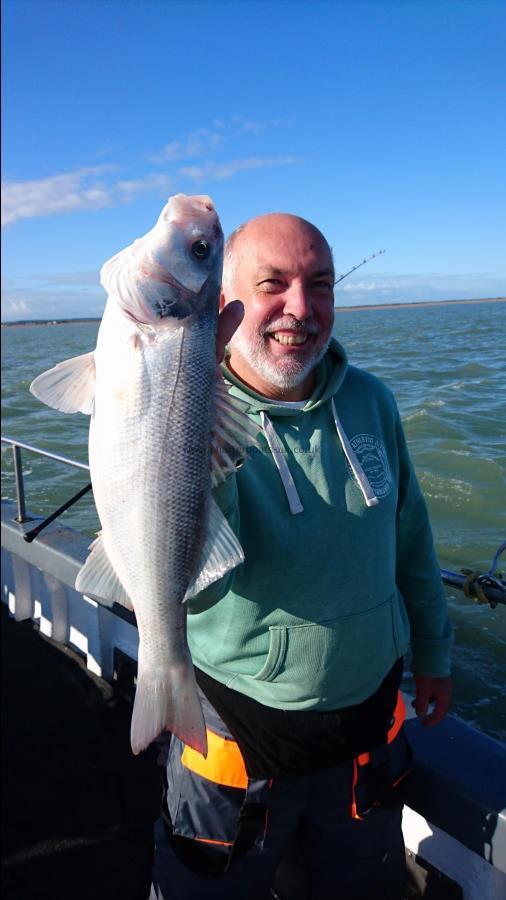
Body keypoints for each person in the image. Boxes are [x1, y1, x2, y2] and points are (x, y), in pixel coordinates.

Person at [149, 213, 453, 900]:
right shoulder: (188, 410)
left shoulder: (371, 401)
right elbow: (168, 542)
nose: (300, 308)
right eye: (272, 285)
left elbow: (410, 538)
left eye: (320, 285)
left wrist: (434, 649)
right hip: (235, 741)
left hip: (366, 733)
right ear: (225, 304)